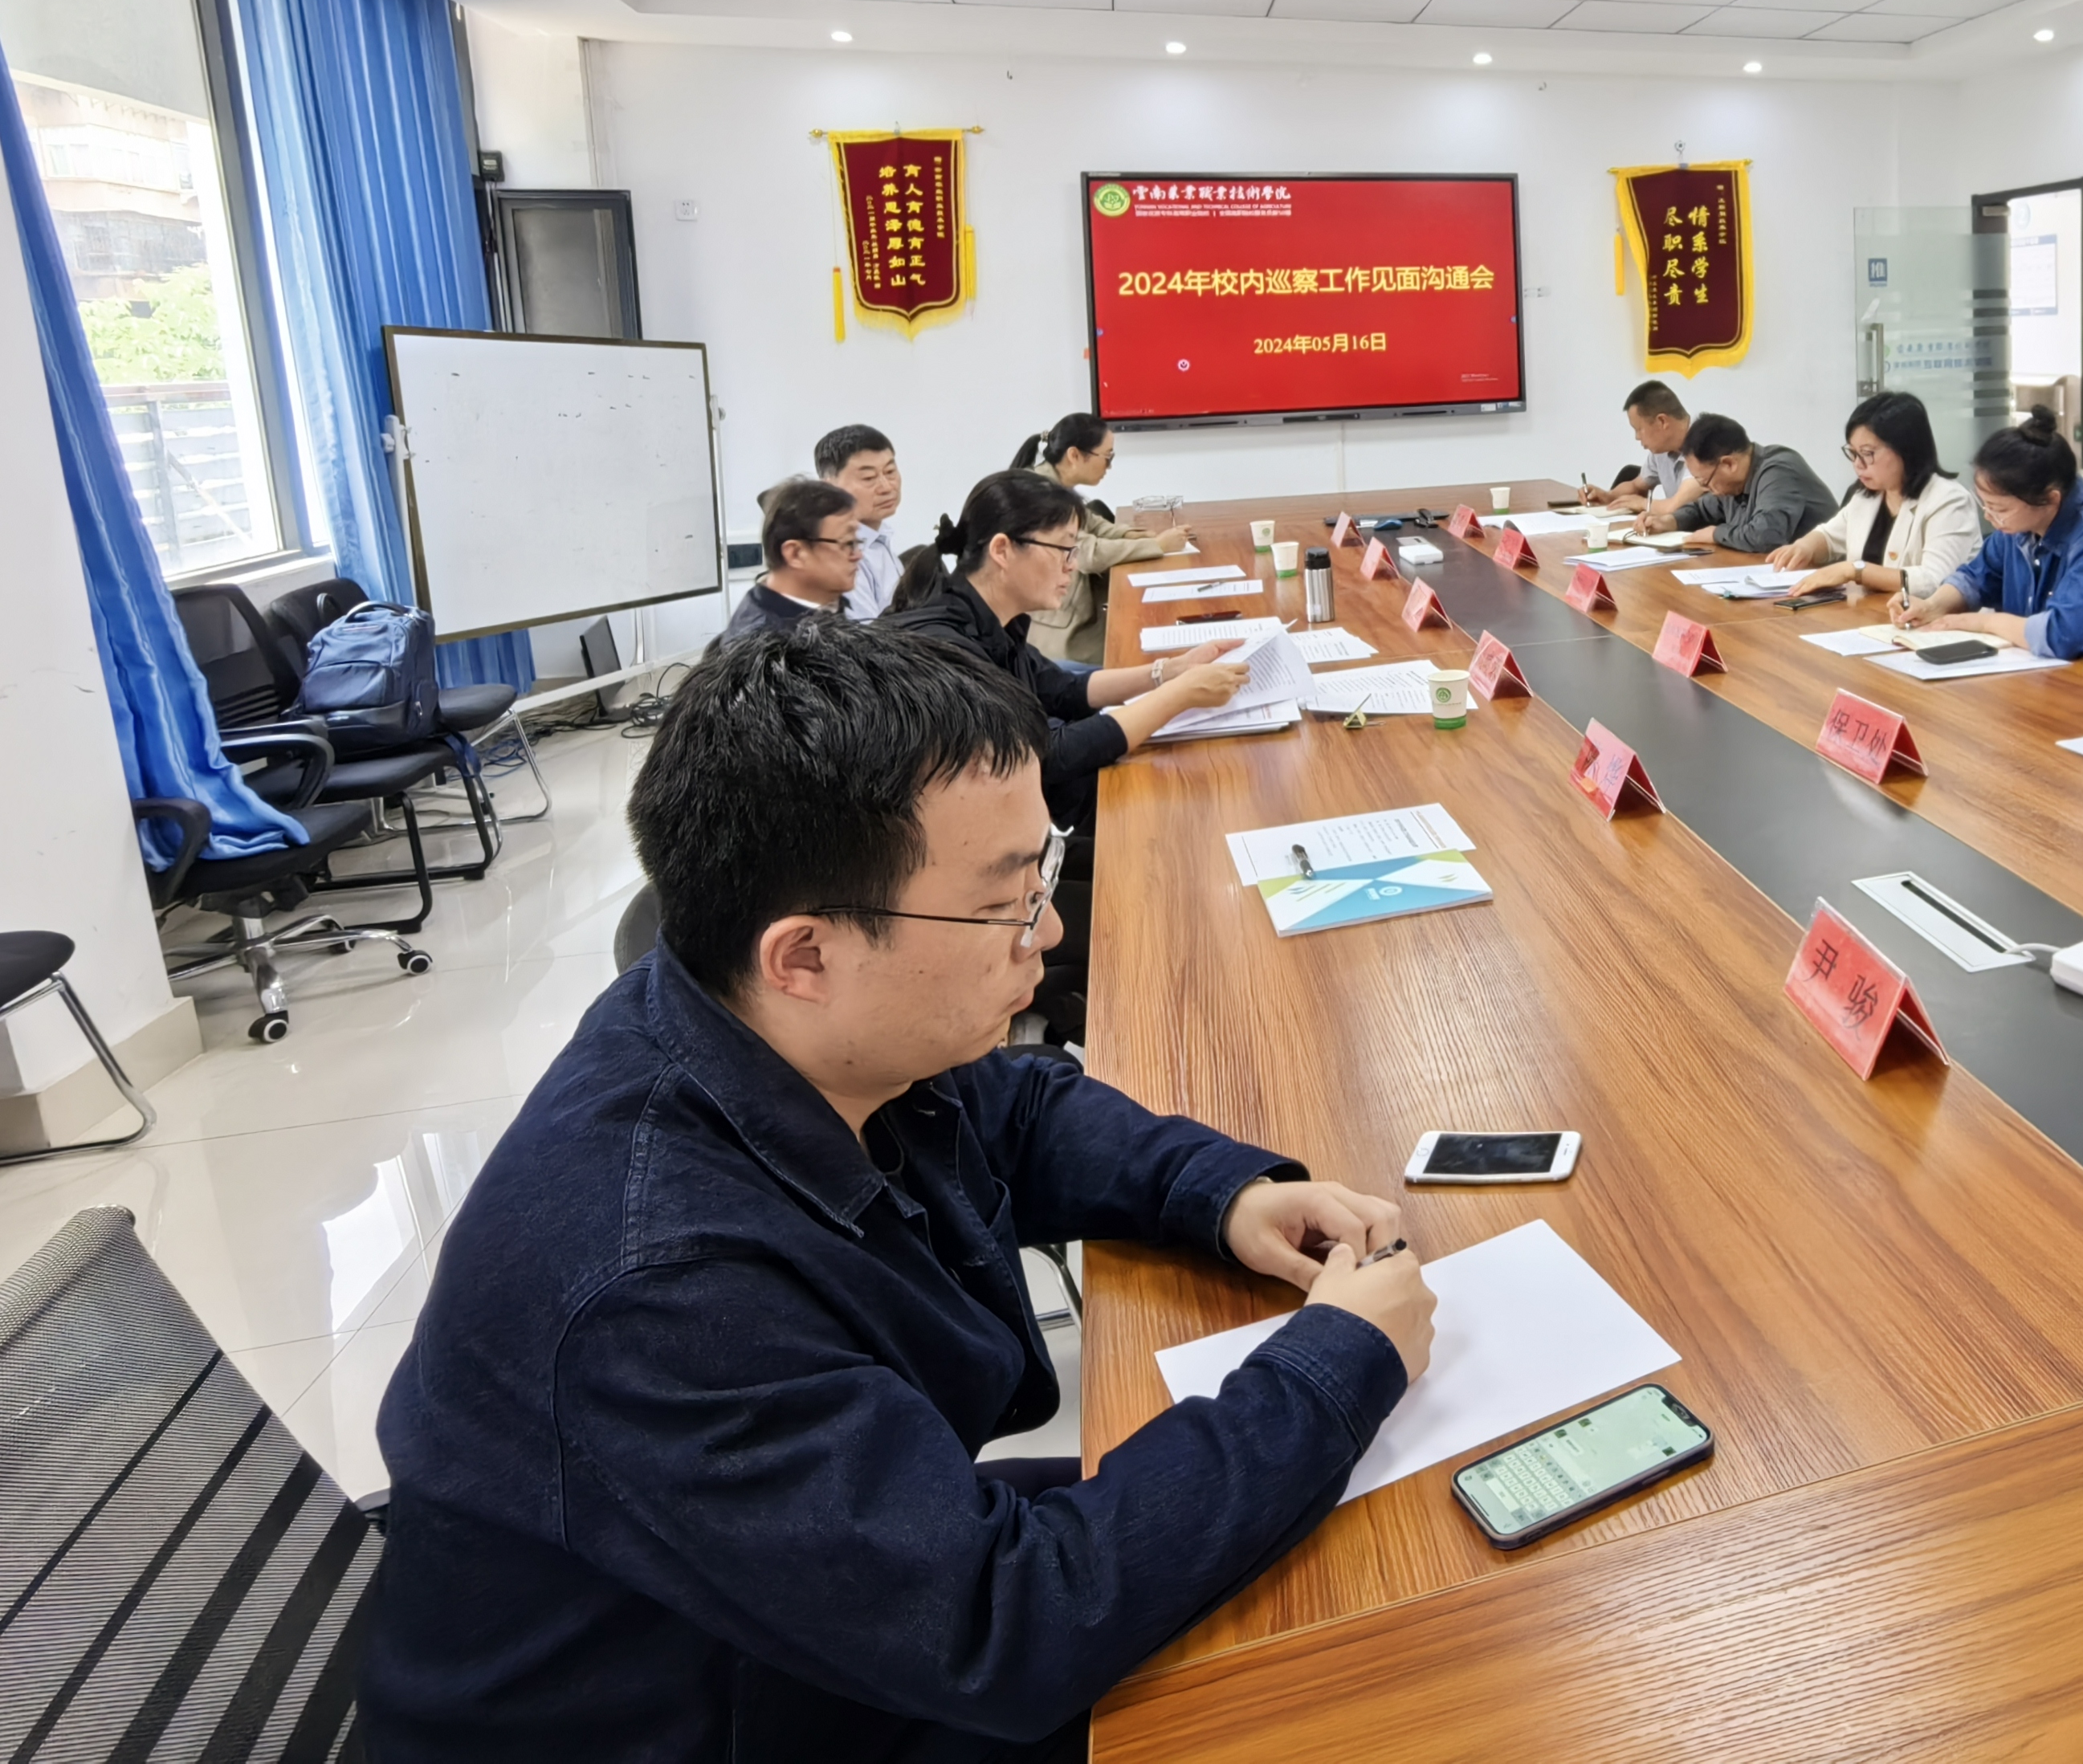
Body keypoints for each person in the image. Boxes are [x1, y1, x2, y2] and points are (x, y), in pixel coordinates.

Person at [363, 621, 1436, 1762]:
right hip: (703, 1720)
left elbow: (1017, 1109)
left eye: (1040, 873)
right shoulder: (660, 1293)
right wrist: (1332, 1366)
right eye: (1004, 900)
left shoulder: (756, 1018)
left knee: (1344, 1541)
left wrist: (1216, 1194)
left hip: (788, 1611)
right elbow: (1005, 1625)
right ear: (804, 955)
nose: (1047, 929)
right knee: (1340, 1688)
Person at [886, 470, 1246, 822]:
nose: (1072, 566)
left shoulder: (990, 619)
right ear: (1002, 550)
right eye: (1063, 549)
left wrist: (1169, 672)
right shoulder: (944, 648)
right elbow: (1043, 756)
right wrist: (1178, 696)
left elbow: (1063, 689)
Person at [1897, 408, 2083, 667]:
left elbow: (2063, 635)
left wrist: (1983, 623)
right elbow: (1976, 577)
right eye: (1985, 505)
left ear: (2050, 499)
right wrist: (1933, 606)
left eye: (2000, 509)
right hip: (2038, 671)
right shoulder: (2018, 527)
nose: (1989, 517)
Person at [1007, 412, 1192, 665]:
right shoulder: (1039, 495)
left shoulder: (1051, 483)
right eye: (1107, 457)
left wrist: (1134, 535)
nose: (1109, 466)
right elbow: (1086, 554)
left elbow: (1093, 524)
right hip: (1062, 637)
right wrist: (1157, 545)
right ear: (1074, 455)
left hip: (1070, 613)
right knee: (1141, 652)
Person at [1766, 390, 1981, 600]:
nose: (1857, 464)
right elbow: (1829, 537)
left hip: (1928, 620)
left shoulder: (1950, 500)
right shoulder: (1867, 496)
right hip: (1871, 613)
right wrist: (1804, 547)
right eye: (1853, 453)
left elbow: (1934, 581)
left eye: (1867, 453)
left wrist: (1855, 571)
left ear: (1906, 450)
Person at [1645, 412, 1831, 552]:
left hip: (1824, 579)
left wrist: (1715, 534)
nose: (1707, 489)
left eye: (1705, 482)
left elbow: (1766, 535)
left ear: (1729, 464)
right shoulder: (1731, 486)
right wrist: (1670, 521)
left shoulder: (1779, 471)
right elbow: (1701, 510)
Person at [719, 479, 862, 646]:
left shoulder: (824, 605)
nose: (858, 555)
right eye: (847, 543)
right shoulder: (767, 648)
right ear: (796, 554)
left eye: (856, 542)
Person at [817, 423, 906, 621]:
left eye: (890, 472)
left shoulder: (878, 539)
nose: (886, 487)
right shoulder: (841, 557)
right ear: (829, 488)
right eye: (868, 478)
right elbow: (867, 635)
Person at [1580, 380, 1698, 516]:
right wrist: (1608, 496)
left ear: (1662, 421)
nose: (1637, 437)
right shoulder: (1661, 451)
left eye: (1639, 429)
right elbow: (1636, 486)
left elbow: (1677, 507)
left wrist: (1642, 504)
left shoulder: (1703, 446)